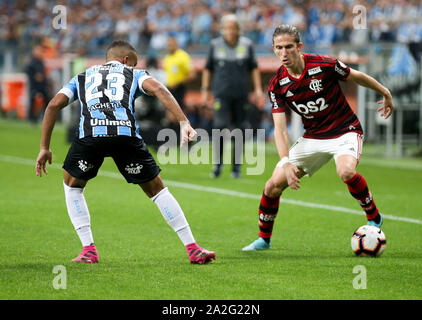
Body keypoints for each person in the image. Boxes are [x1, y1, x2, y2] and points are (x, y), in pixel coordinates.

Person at [35, 40, 216, 264]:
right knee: (158, 190)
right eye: (135, 62)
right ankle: (192, 248)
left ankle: (88, 250)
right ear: (126, 60)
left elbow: (53, 105)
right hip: (125, 136)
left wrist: (44, 147)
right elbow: (159, 88)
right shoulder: (134, 73)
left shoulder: (82, 77)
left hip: (91, 136)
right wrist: (183, 121)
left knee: (72, 187)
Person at [242, 25, 394, 251]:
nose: (284, 53)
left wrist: (385, 92)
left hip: (345, 130)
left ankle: (373, 216)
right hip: (313, 137)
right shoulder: (277, 85)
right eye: (279, 48)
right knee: (273, 185)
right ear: (273, 49)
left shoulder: (324, 64)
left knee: (346, 171)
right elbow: (280, 130)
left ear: (299, 47)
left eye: (289, 47)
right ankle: (264, 240)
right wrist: (285, 163)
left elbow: (357, 76)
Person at [201, 14, 265, 179]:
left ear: (238, 29)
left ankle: (236, 168)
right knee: (219, 126)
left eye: (233, 27)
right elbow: (208, 69)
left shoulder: (247, 45)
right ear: (222, 29)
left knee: (240, 130)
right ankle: (218, 165)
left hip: (241, 95)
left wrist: (257, 89)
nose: (230, 31)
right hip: (221, 94)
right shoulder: (215, 45)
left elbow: (254, 68)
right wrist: (205, 89)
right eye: (227, 28)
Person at [25, 45, 49, 123]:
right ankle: (31, 118)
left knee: (47, 100)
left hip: (42, 86)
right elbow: (32, 74)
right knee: (32, 101)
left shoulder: (41, 62)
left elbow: (42, 75)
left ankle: (46, 117)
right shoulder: (32, 62)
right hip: (33, 86)